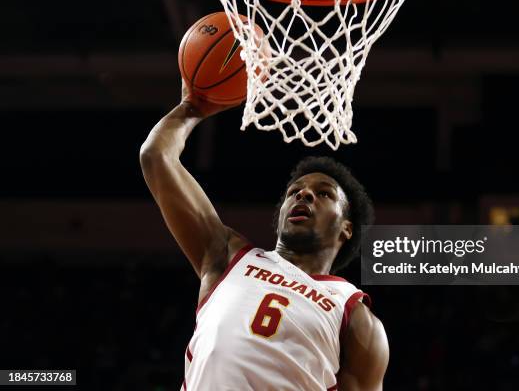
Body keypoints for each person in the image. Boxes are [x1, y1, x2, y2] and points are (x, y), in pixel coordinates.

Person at [139, 83, 389, 391]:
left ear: (347, 228)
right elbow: (156, 157)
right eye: (294, 192)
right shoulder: (227, 255)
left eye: (323, 194)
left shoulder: (354, 316)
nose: (305, 194)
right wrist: (192, 108)